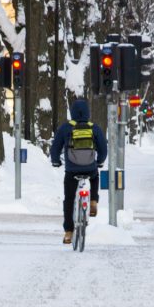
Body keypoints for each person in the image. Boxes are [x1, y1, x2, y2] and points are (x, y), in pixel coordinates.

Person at [50, 98, 108, 244]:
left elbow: (55, 147)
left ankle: (69, 231)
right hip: (90, 168)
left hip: (71, 171)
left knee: (68, 200)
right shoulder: (94, 128)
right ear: (88, 112)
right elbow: (103, 149)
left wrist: (55, 161)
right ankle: (93, 200)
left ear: (73, 112)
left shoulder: (65, 128)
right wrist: (99, 161)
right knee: (95, 177)